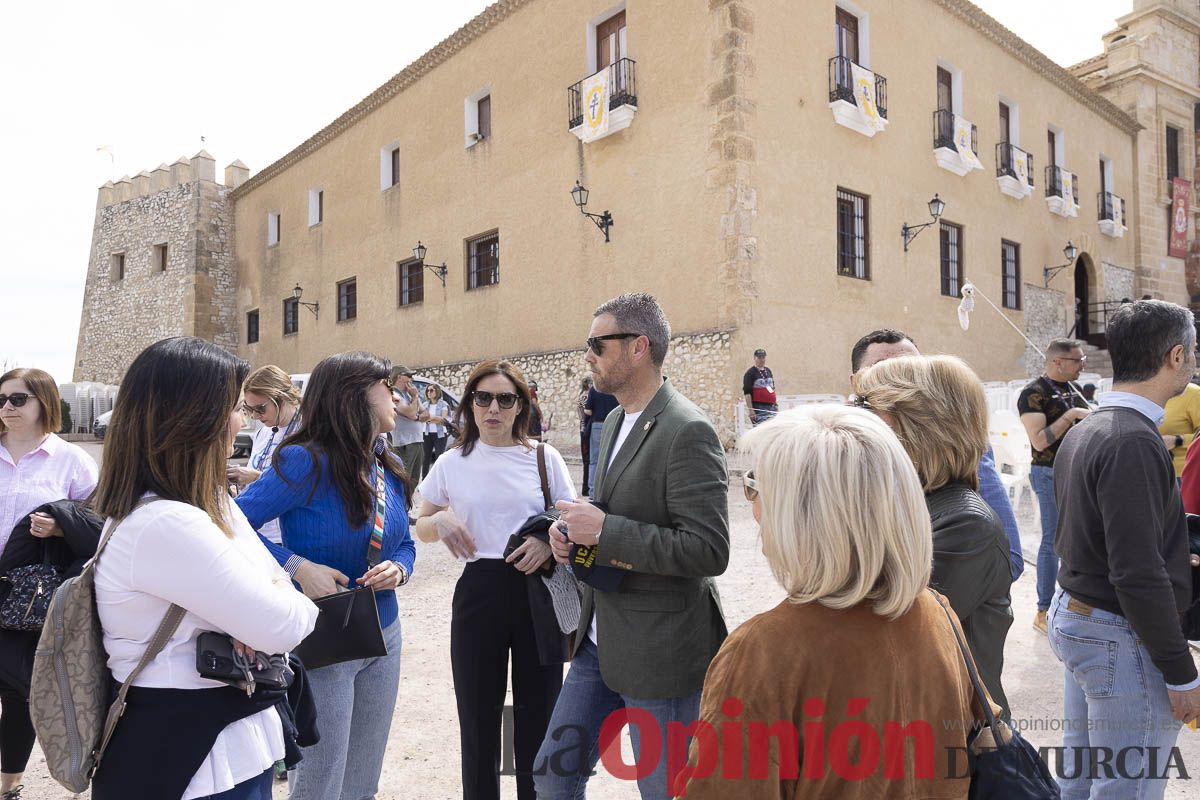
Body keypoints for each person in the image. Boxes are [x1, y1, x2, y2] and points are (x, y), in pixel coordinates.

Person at [681, 405, 991, 798]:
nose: (753, 506)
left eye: (755, 484)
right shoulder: (936, 611)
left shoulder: (764, 650)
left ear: (799, 515)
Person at [89, 337, 318, 800]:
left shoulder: (187, 506)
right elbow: (289, 624)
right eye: (234, 407)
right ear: (195, 417)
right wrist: (275, 590)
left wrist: (256, 597)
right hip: (191, 762)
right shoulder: (167, 523)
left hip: (207, 748)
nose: (242, 420)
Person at [537, 292, 730, 800]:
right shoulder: (617, 419)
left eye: (596, 344)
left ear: (638, 347)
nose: (587, 356)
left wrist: (602, 531)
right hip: (599, 640)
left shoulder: (687, 429)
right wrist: (572, 543)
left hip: (660, 651)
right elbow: (609, 519)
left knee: (665, 790)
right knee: (551, 773)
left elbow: (709, 549)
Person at [236, 352, 416, 800]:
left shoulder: (382, 460)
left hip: (384, 632)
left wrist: (401, 568)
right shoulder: (303, 461)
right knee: (320, 782)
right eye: (384, 385)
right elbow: (232, 524)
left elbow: (406, 541)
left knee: (362, 781)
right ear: (354, 395)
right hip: (324, 637)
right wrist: (297, 566)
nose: (395, 395)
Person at [1049, 300, 1200, 799]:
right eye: (1193, 352)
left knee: (1085, 777)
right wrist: (1181, 673)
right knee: (1127, 788)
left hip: (1083, 617)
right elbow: (1135, 572)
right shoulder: (1130, 439)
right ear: (1176, 356)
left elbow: (1091, 539)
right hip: (1116, 631)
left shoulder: (1091, 426)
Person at [414, 360, 576, 800]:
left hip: (535, 589)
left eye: (505, 399)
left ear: (520, 405)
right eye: (482, 397)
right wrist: (442, 520)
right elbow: (422, 524)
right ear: (469, 404)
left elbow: (571, 516)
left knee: (538, 719)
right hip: (479, 589)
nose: (493, 408)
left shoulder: (544, 457)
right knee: (479, 720)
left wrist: (547, 540)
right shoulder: (452, 462)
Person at [855, 354, 1013, 718]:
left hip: (948, 734)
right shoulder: (909, 505)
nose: (854, 419)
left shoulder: (966, 525)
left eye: (866, 406)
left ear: (918, 425)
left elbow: (878, 633)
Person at [850, 328, 1024, 582]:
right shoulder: (838, 447)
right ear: (856, 382)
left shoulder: (956, 444)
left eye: (913, 370)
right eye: (883, 370)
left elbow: (1010, 559)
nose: (902, 381)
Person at [0, 368, 98, 800]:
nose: (6, 408)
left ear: (45, 401)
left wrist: (60, 529)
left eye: (18, 399)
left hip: (28, 595)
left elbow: (97, 527)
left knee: (22, 689)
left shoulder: (72, 460)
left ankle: (9, 784)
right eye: (1, 399)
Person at [1016, 338, 1091, 633]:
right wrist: (1071, 416)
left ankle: (1071, 599)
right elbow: (1039, 440)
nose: (1082, 366)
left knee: (1077, 538)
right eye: (1077, 361)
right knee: (1052, 541)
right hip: (1048, 472)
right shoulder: (1033, 393)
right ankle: (1043, 610)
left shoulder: (1073, 389)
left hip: (1076, 470)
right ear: (1057, 362)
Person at [225, 365, 302, 543]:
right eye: (248, 409)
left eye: (260, 409)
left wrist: (256, 478)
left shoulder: (307, 433)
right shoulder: (263, 432)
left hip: (284, 535)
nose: (255, 416)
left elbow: (306, 488)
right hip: (258, 529)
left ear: (281, 397)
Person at [389, 365, 426, 480]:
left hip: (417, 440)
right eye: (409, 376)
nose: (412, 379)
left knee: (414, 479)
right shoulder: (394, 395)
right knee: (405, 478)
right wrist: (414, 397)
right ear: (399, 377)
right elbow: (410, 413)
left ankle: (409, 498)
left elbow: (426, 415)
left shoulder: (409, 393)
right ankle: (403, 498)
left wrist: (416, 417)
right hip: (404, 443)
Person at [1159, 380, 1200, 477]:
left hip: (1182, 475)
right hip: (1149, 471)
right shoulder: (1142, 391)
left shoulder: (1194, 393)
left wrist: (1177, 440)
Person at [582, 384, 618, 490]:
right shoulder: (614, 387)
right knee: (612, 457)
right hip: (613, 423)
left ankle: (593, 490)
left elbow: (587, 410)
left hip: (597, 424)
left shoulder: (595, 389)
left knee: (594, 460)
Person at [421, 383, 450, 478]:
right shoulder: (424, 405)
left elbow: (443, 420)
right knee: (425, 459)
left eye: (431, 390)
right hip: (427, 434)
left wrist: (429, 418)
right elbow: (422, 418)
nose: (429, 392)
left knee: (439, 458)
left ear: (437, 391)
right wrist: (435, 419)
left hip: (440, 435)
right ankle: (425, 481)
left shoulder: (444, 404)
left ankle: (439, 481)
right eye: (427, 391)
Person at [742, 347, 777, 425]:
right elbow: (747, 393)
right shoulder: (750, 373)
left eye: (763, 357)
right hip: (759, 407)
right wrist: (751, 410)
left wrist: (775, 403)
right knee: (762, 430)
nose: (762, 359)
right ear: (755, 358)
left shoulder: (768, 371)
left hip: (772, 406)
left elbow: (772, 388)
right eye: (759, 357)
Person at [576, 376, 593, 495]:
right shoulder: (587, 396)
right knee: (589, 460)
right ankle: (587, 487)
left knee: (586, 459)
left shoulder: (581, 396)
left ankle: (585, 487)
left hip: (582, 428)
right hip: (587, 428)